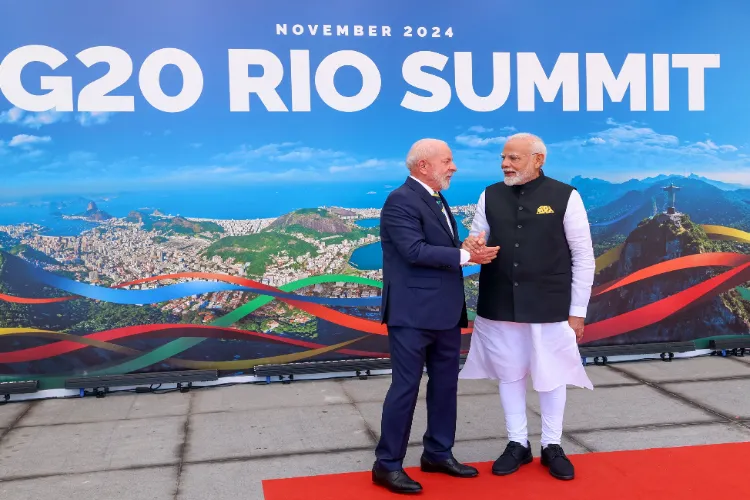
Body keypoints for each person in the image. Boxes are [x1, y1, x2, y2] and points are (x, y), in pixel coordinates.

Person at [459, 133, 595, 481]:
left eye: (514, 158)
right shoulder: (490, 194)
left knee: (552, 375)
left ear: (538, 160)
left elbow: (583, 256)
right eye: (503, 158)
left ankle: (552, 445)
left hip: (550, 303)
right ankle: (517, 443)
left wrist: (577, 311)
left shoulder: (566, 196)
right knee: (509, 373)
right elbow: (477, 239)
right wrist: (473, 246)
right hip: (499, 301)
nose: (505, 164)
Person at [373, 138, 499, 494]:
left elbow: (438, 247)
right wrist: (466, 257)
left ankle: (438, 453)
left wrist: (463, 248)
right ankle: (386, 465)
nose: (453, 166)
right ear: (423, 165)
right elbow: (413, 251)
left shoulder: (435, 197)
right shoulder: (399, 200)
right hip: (411, 315)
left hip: (444, 312)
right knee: (405, 388)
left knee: (445, 386)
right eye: (448, 160)